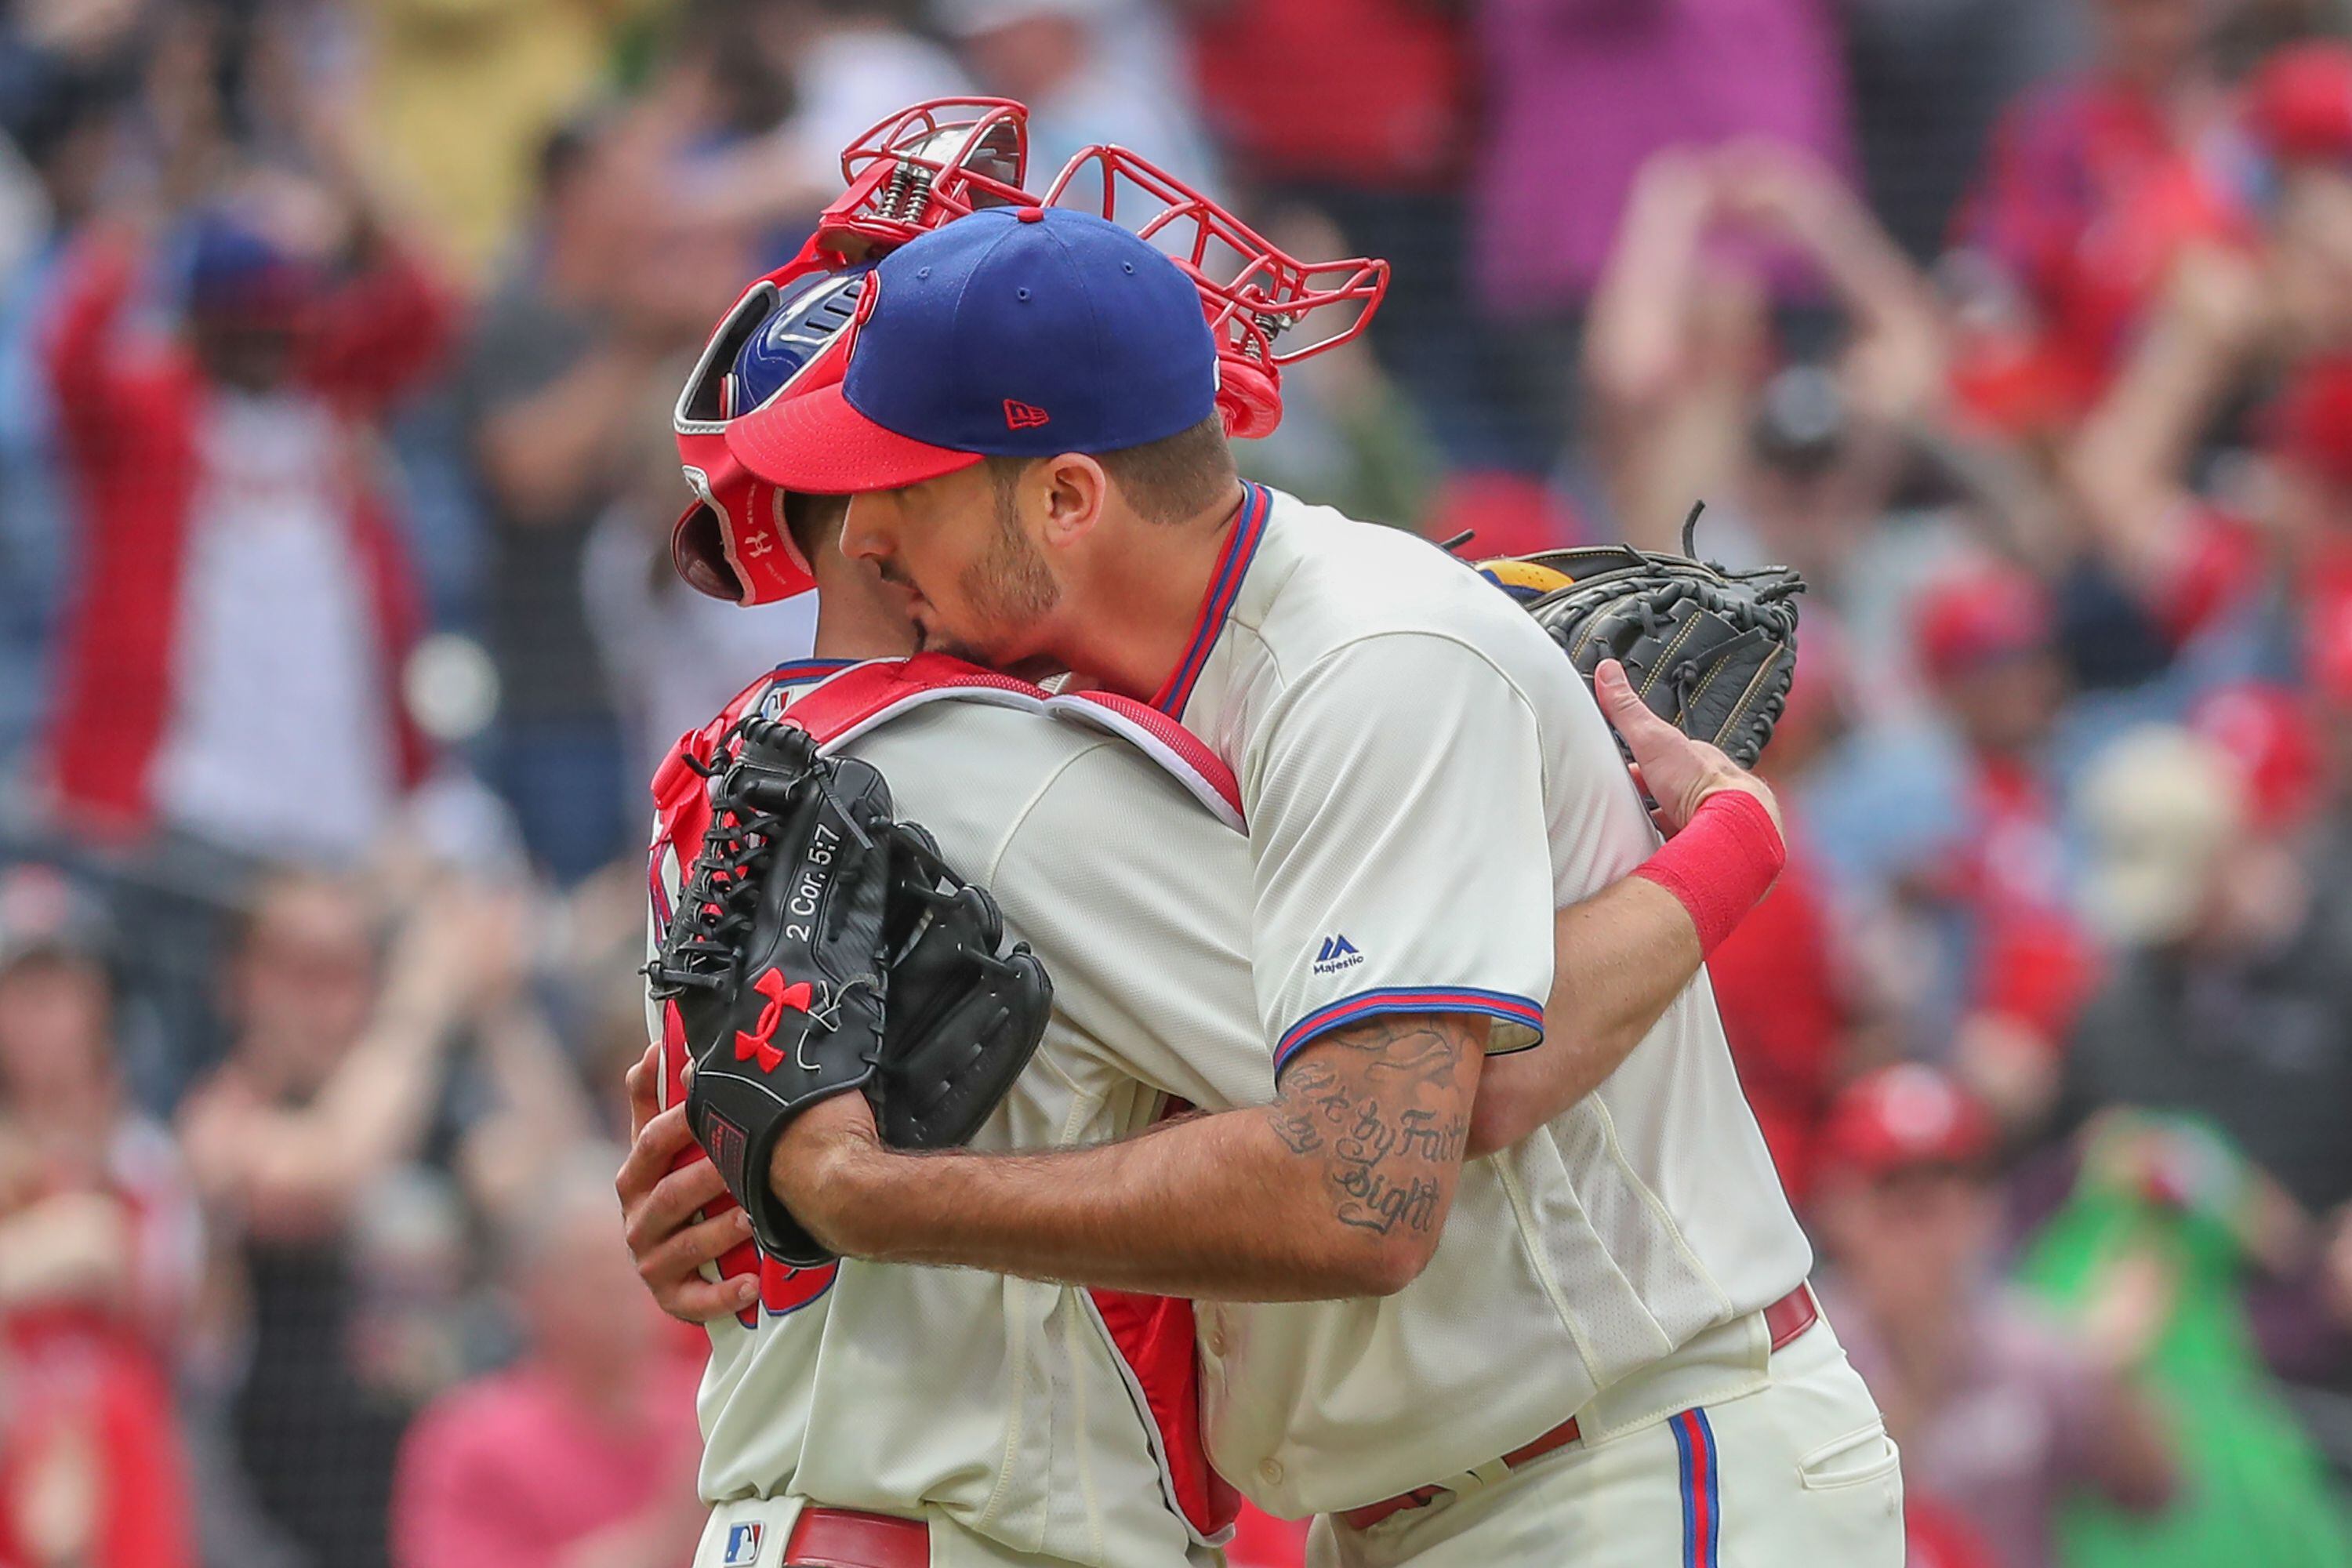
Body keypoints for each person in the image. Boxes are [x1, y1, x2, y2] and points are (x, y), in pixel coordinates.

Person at [708, 206, 1899, 1565]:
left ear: (1064, 499)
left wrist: (862, 1198)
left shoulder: (1369, 662)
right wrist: (712, 1165)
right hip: (1417, 1509)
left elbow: (1375, 1177)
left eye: (904, 484)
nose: (860, 539)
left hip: (1624, 1465)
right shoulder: (1077, 706)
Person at [1809, 1064, 2174, 1568]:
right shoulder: (1801, 1356)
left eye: (1949, 1188)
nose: (1926, 1225)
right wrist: (1914, 1358)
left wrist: (2117, 1376)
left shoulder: (2028, 1344)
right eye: (1897, 1194)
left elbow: (2153, 1495)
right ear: (1839, 1207)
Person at [391, 1148, 703, 1568]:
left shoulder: (711, 1408)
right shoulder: (470, 1440)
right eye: (598, 1279)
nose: (625, 1297)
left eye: (637, 1272)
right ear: (532, 1293)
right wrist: (667, 1538)